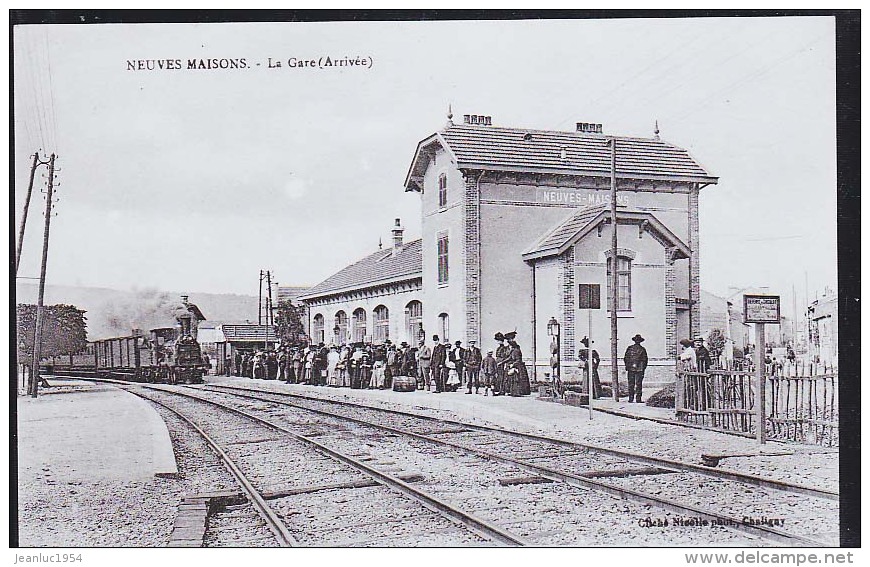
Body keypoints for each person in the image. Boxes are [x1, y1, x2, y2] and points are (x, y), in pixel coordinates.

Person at [623, 334, 648, 403]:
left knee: (631, 384)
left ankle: (631, 399)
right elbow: (645, 360)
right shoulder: (642, 349)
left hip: (631, 369)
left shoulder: (630, 348)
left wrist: (628, 366)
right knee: (638, 384)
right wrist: (643, 368)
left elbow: (625, 358)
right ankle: (638, 399)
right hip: (639, 369)